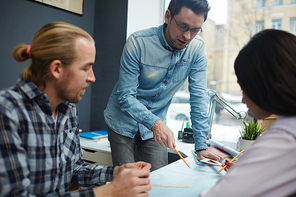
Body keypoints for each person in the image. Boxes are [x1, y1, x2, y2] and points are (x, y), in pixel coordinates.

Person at [0, 21, 152, 196]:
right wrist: (107, 192)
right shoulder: (7, 111)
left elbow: (75, 168)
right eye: (85, 68)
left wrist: (116, 173)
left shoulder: (68, 108)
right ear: (57, 69)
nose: (92, 77)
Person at [104, 0, 223, 171]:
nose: (187, 36)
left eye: (195, 30)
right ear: (168, 16)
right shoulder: (138, 42)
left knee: (159, 179)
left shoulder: (197, 49)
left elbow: (198, 98)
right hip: (122, 121)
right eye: (182, 26)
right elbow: (125, 97)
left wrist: (201, 146)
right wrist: (156, 124)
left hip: (155, 127)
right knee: (128, 182)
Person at [199, 29, 296, 196]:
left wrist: (247, 176)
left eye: (243, 87)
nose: (243, 99)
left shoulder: (285, 137)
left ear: (262, 85)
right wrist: (250, 173)